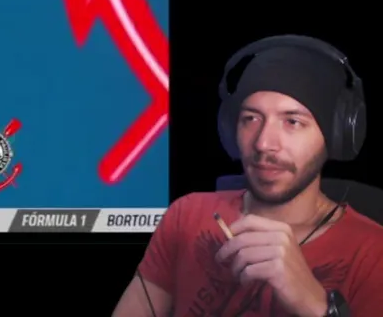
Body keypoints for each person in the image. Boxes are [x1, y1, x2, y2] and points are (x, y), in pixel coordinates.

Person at [113, 36, 381, 317]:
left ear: (336, 137)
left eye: (292, 122)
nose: (263, 143)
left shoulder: (373, 252)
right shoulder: (186, 215)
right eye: (251, 118)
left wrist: (317, 305)